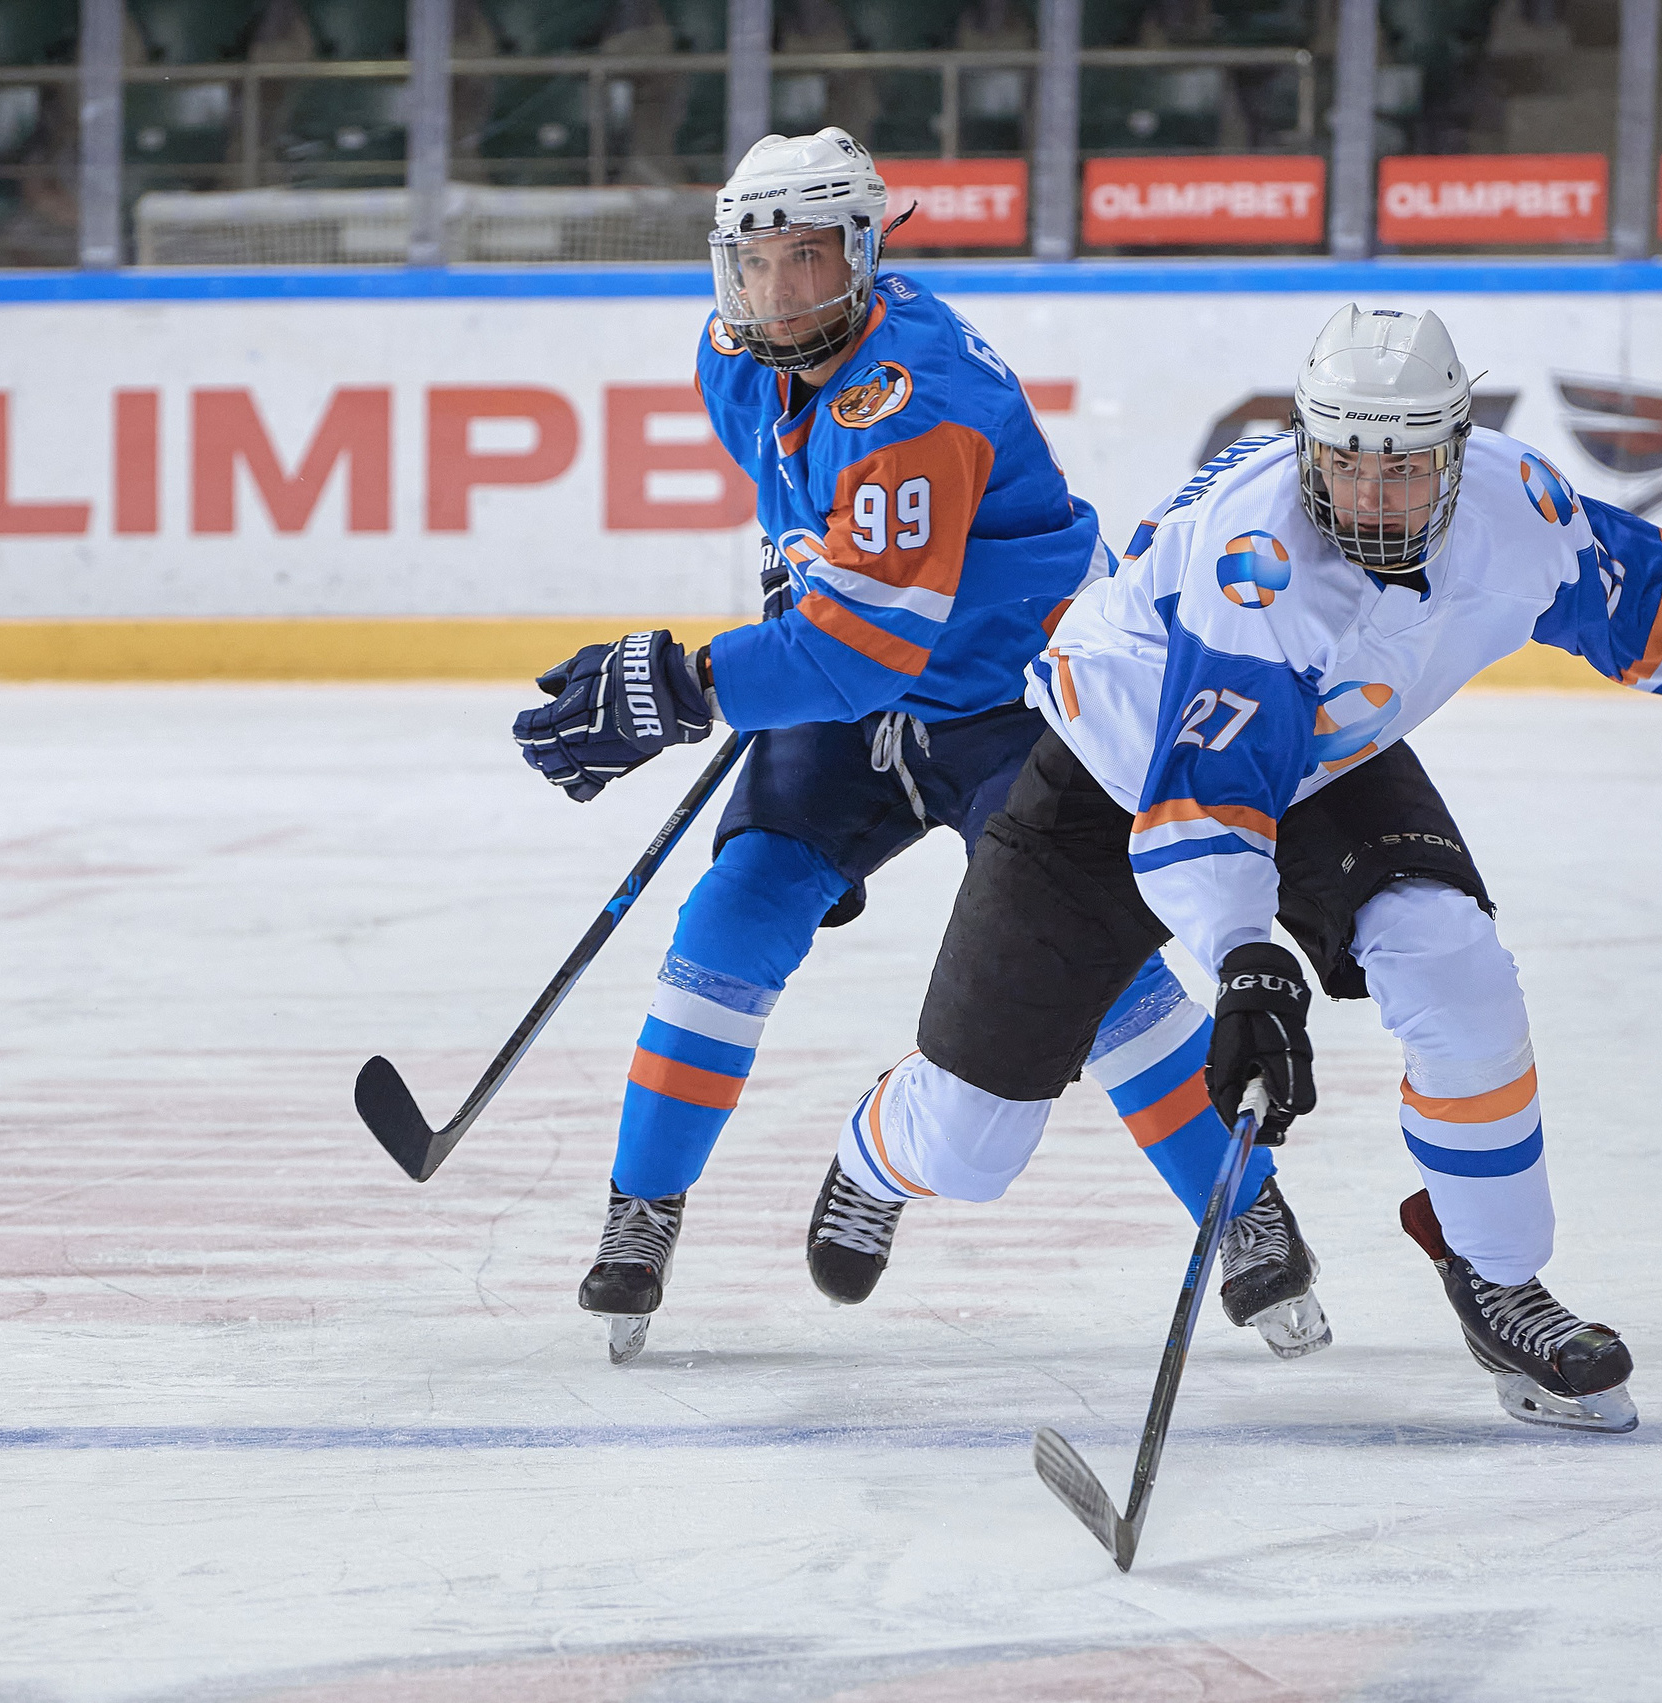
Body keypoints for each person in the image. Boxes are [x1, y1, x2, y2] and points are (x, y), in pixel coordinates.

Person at [811, 304, 1662, 1432]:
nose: (1369, 496)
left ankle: (1495, 1271)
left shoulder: (1517, 507)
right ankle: (878, 1148)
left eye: (1403, 469)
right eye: (1344, 464)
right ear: (1307, 441)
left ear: (1457, 449)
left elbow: (1653, 597)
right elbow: (1207, 800)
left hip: (1320, 760)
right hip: (1107, 776)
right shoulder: (1261, 564)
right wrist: (1251, 961)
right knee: (967, 1146)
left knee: (1451, 962)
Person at [509, 128, 1332, 1367]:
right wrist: (780, 604)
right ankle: (641, 1212)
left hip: (1018, 697)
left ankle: (1242, 1207)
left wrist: (684, 685)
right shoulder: (729, 354)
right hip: (857, 693)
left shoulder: (917, 396)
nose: (782, 292)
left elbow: (867, 648)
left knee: (1085, 968)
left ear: (866, 251)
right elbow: (815, 539)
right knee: (735, 911)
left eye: (809, 259)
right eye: (758, 262)